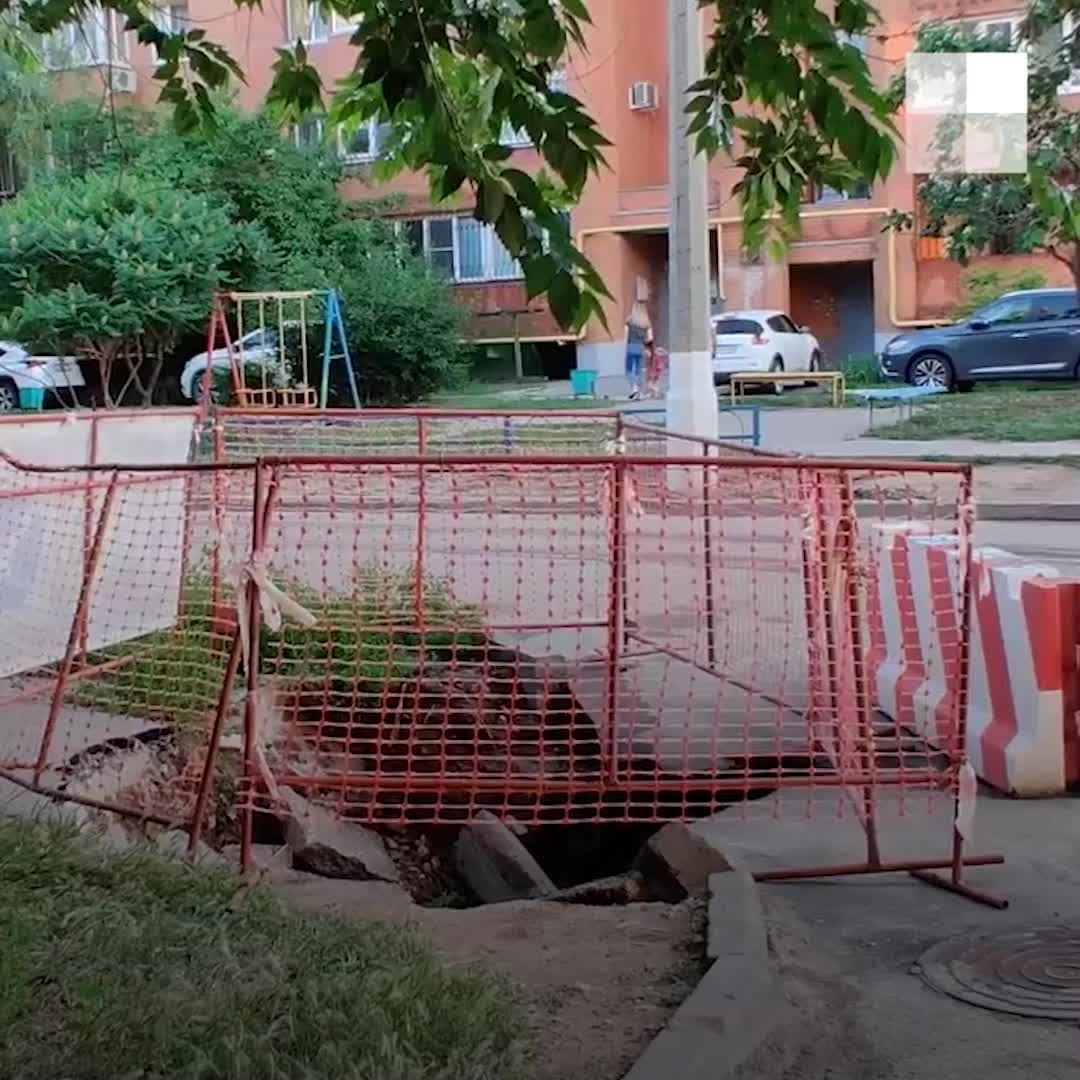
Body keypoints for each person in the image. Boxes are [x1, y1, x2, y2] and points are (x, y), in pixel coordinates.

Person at [625, 301, 653, 399]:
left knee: (628, 370)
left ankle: (634, 387)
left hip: (631, 346)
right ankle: (640, 394)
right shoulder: (646, 322)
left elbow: (625, 335)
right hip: (641, 347)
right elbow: (650, 338)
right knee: (639, 370)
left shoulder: (629, 320)